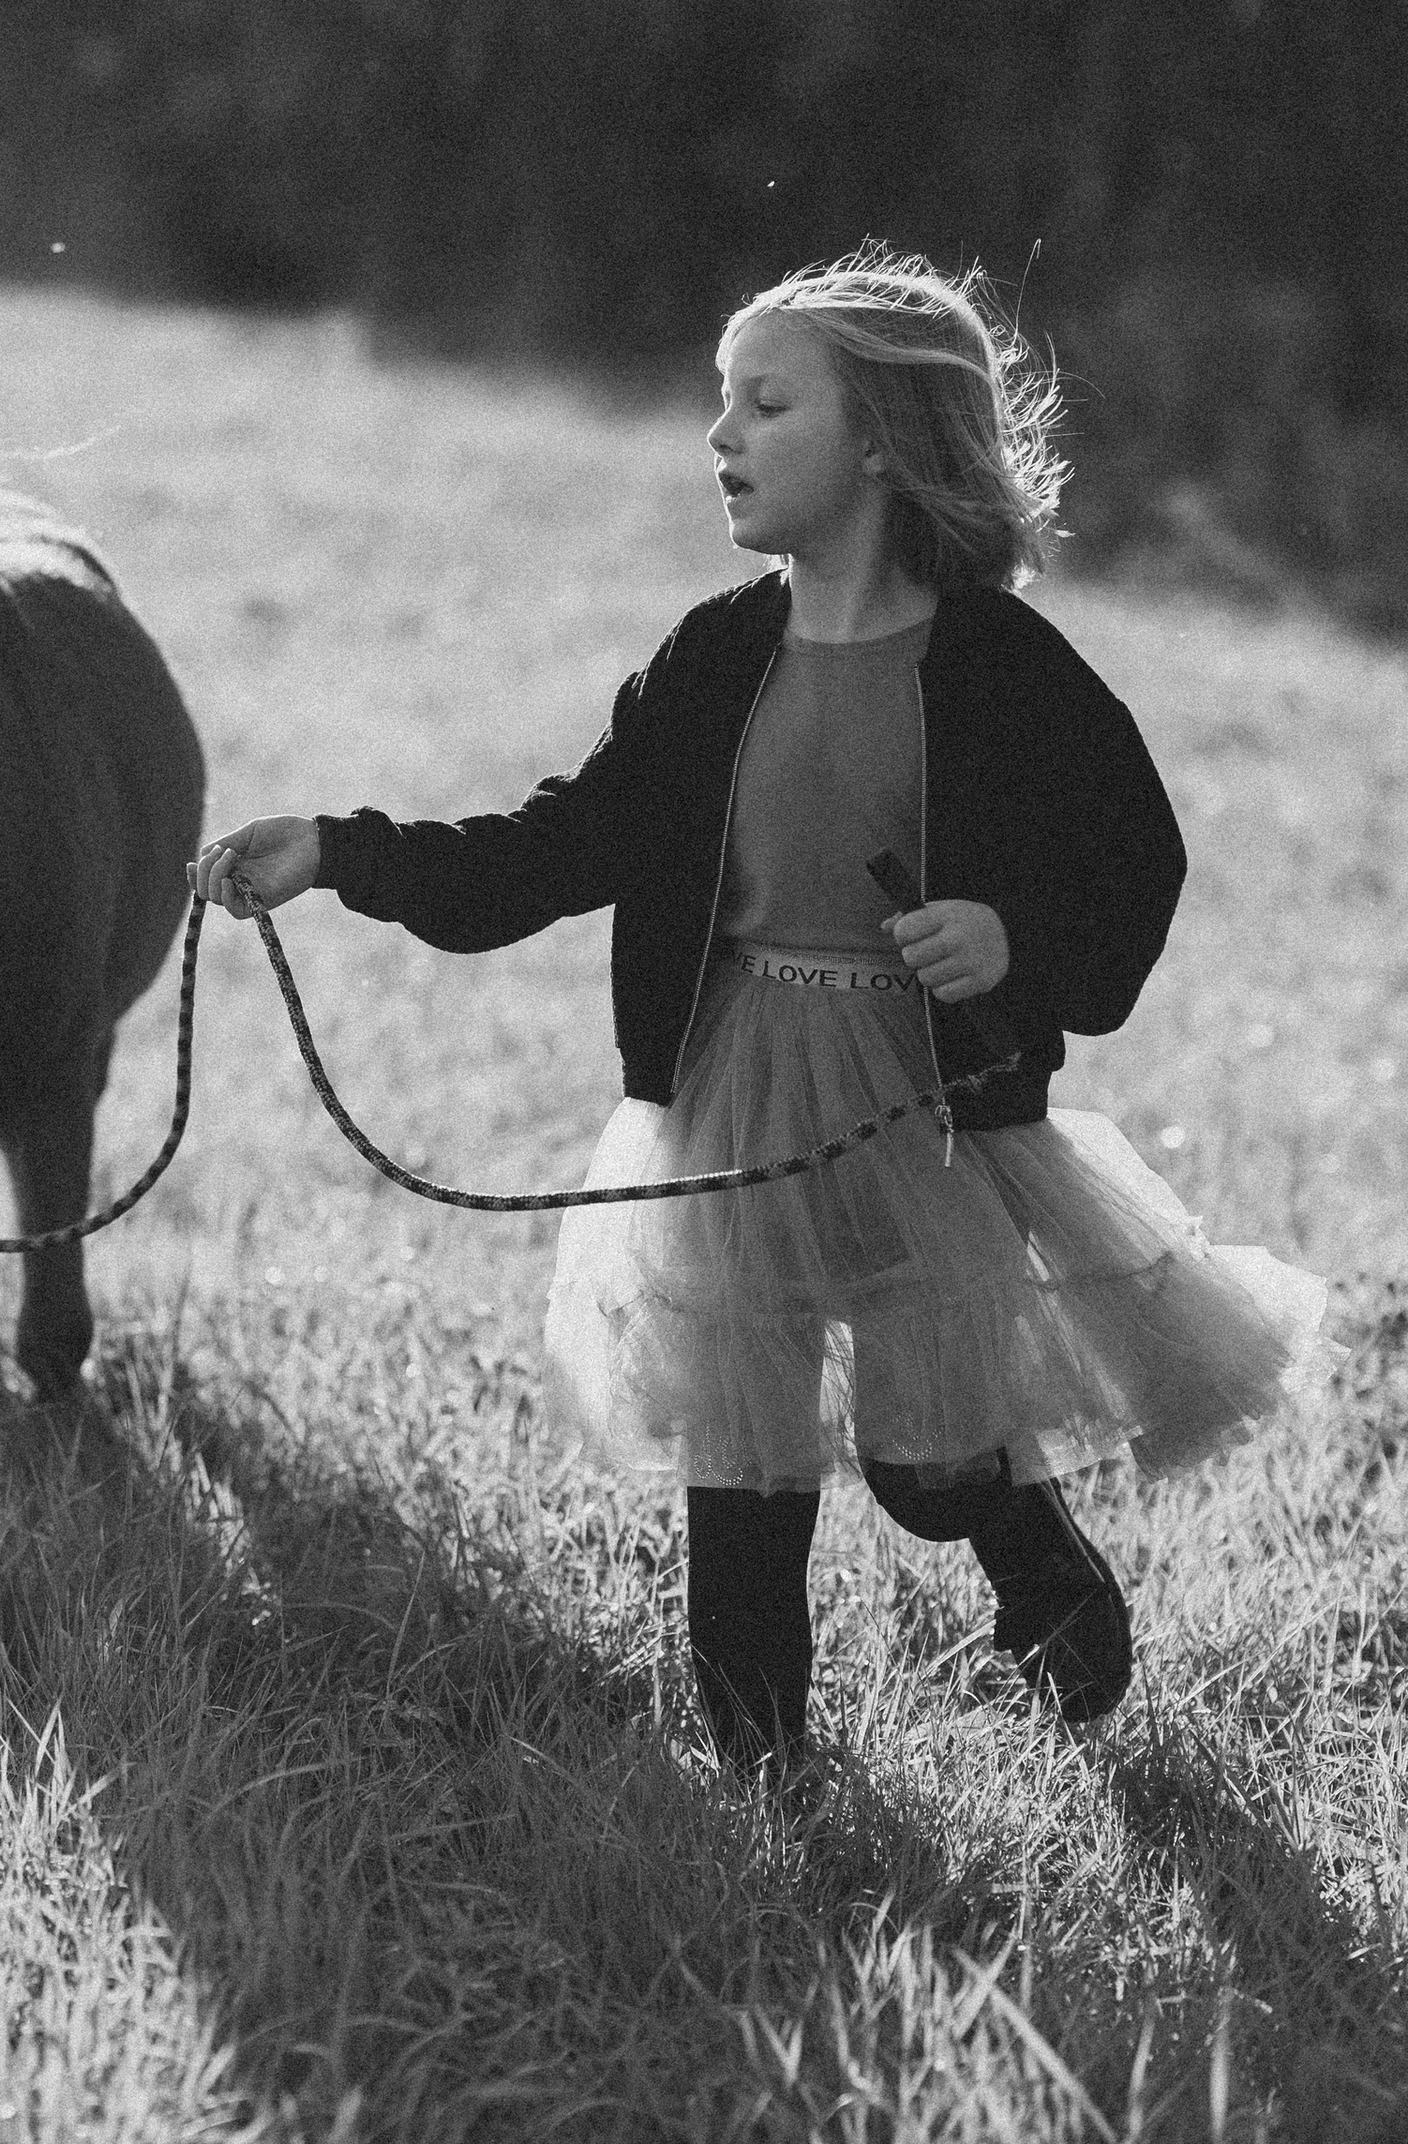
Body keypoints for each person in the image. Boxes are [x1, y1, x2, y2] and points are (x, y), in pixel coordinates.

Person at [190, 245, 1323, 1780]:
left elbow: (1132, 861)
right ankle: (760, 1764)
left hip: (923, 1106)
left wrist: (1013, 938)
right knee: (740, 1458)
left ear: (884, 440)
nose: (721, 435)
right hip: (730, 1090)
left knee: (929, 1459)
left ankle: (1039, 1560)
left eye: (767, 405)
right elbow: (558, 845)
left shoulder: (1003, 666)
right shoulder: (716, 659)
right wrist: (340, 853)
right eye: (720, 401)